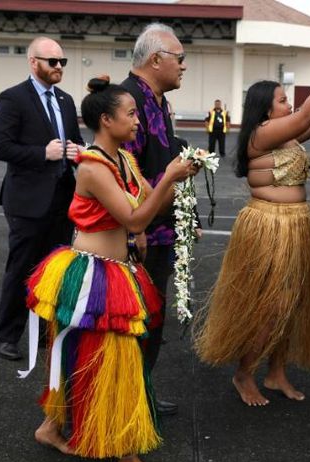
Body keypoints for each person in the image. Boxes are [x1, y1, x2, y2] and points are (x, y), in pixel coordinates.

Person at [25, 76, 196, 462]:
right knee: (112, 358)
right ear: (106, 120)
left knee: (87, 353)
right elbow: (135, 220)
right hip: (92, 274)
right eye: (131, 114)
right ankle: (125, 452)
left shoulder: (124, 159)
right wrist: (169, 176)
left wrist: (179, 177)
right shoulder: (92, 167)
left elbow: (150, 202)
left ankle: (51, 427)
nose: (138, 121)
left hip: (116, 269)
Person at [194, 49, 310, 406]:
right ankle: (244, 372)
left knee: (292, 303)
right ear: (265, 107)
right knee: (272, 305)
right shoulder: (262, 133)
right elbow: (308, 112)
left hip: (295, 226)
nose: (287, 102)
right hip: (270, 226)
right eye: (281, 98)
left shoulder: (284, 135)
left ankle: (276, 373)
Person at [0, 36, 83, 360]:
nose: (59, 67)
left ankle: (45, 332)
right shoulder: (12, 98)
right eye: (52, 62)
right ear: (34, 62)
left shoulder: (67, 100)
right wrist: (40, 153)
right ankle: (8, 336)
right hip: (27, 201)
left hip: (62, 199)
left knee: (53, 269)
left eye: (62, 62)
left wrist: (79, 152)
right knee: (21, 268)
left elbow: (76, 141)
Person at [120, 23, 196, 416]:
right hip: (138, 236)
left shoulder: (157, 100)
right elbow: (124, 175)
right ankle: (126, 403)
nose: (184, 66)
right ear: (155, 59)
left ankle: (141, 394)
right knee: (133, 324)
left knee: (153, 322)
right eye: (179, 58)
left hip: (161, 230)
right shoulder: (127, 101)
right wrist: (134, 234)